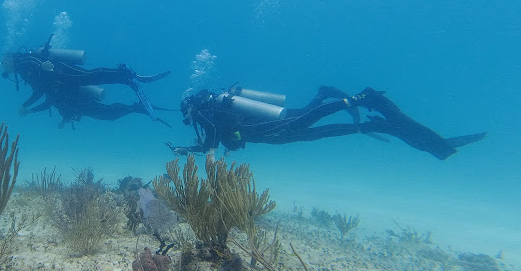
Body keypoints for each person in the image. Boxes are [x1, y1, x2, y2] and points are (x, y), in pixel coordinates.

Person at [167, 85, 487, 160]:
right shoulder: (212, 111)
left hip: (274, 130)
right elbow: (214, 143)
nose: (187, 119)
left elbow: (211, 144)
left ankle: (359, 101)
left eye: (186, 114)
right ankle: (364, 119)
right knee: (313, 122)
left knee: (312, 123)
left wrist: (187, 149)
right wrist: (186, 148)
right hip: (275, 129)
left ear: (191, 108)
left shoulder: (207, 115)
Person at [2, 35, 171, 128]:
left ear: (10, 59)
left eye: (4, 62)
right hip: (61, 84)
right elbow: (40, 92)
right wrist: (28, 108)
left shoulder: (22, 62)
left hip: (62, 73)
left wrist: (25, 106)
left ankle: (125, 74)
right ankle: (129, 89)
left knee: (90, 76)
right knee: (104, 110)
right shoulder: (23, 72)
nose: (3, 67)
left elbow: (33, 61)